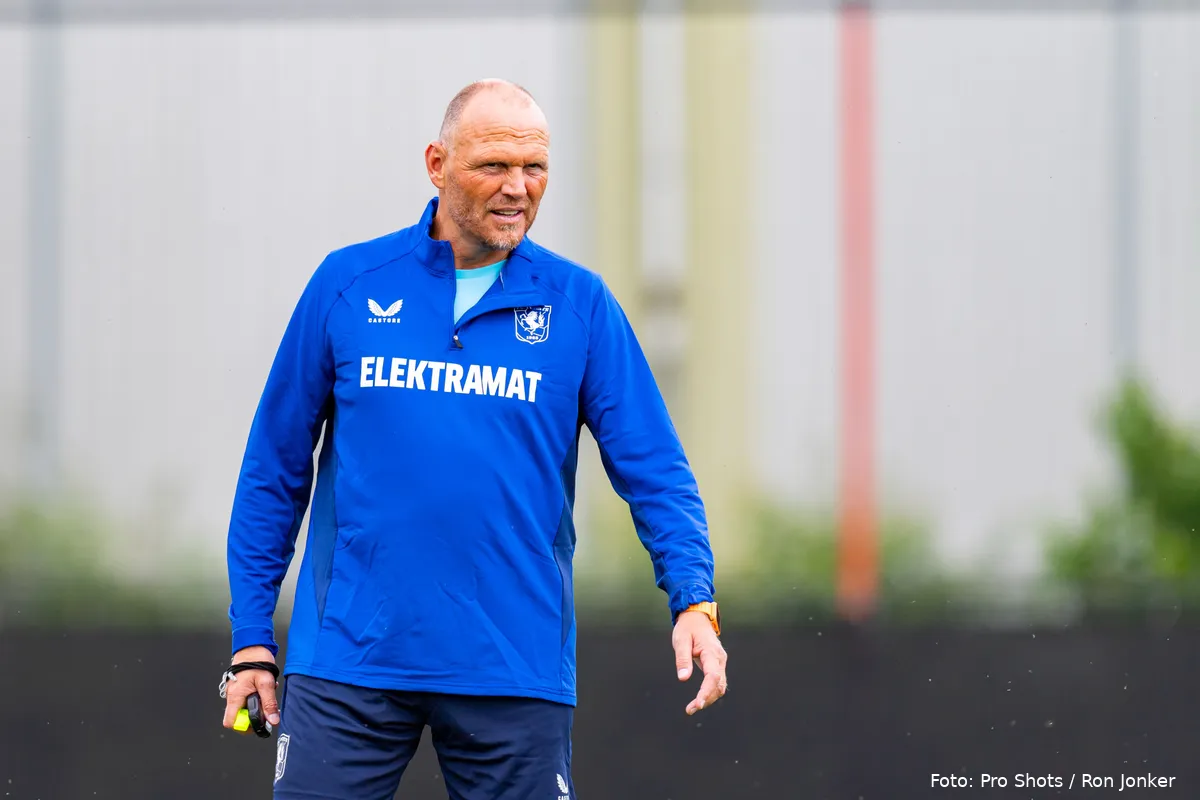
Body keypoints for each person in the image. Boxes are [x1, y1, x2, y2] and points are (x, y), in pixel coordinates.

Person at [219, 78, 727, 800]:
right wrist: (250, 643)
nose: (518, 187)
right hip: (348, 663)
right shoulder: (348, 285)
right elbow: (273, 469)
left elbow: (656, 472)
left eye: (536, 168)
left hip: (511, 665)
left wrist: (693, 601)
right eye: (494, 166)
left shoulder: (579, 305)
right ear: (436, 163)